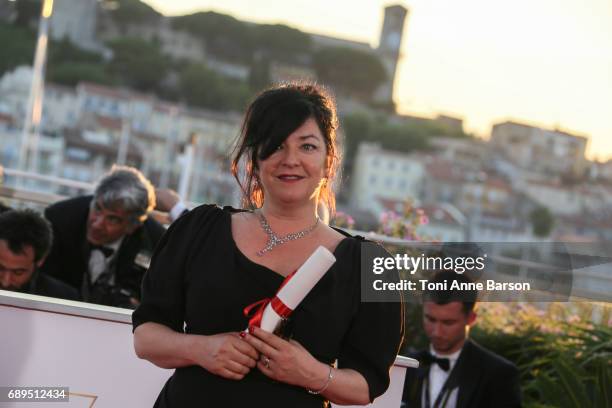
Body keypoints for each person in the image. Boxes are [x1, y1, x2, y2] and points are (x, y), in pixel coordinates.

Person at [132, 83, 404, 407]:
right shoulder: (200, 230)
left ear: (329, 162)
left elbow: (365, 387)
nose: (290, 160)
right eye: (275, 146)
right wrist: (202, 349)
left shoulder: (367, 265)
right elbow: (146, 338)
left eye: (307, 147)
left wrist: (310, 373)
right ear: (254, 160)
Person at [40, 165, 165, 308]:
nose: (97, 224)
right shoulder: (59, 220)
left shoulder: (157, 242)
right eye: (97, 208)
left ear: (133, 226)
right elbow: (44, 284)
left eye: (112, 219)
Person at [401, 271, 522, 408]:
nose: (437, 331)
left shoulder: (499, 374)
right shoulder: (403, 368)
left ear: (471, 318)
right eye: (430, 319)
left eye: (448, 322)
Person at [0, 209, 79, 300]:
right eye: (0, 268)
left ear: (40, 261)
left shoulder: (63, 299)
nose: (5, 281)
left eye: (18, 272)